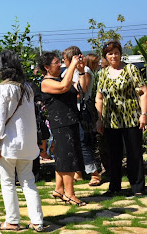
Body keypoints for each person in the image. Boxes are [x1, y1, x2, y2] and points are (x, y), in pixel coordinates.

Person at [0, 50, 44, 232]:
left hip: (8, 143)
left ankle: (12, 220)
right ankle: (37, 221)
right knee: (28, 181)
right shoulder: (27, 88)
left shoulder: (2, 89)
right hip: (27, 143)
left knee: (7, 182)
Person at [95, 41, 147, 197]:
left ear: (120, 54)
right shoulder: (102, 73)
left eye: (116, 53)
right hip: (111, 121)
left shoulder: (130, 69)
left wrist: (144, 114)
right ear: (105, 56)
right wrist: (99, 119)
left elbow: (143, 92)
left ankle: (137, 187)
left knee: (134, 153)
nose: (113, 56)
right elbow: (99, 97)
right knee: (114, 155)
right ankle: (114, 186)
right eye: (110, 54)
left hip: (131, 118)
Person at [40, 50, 87, 206]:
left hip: (71, 121)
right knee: (67, 158)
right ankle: (70, 194)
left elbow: (80, 90)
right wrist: (72, 65)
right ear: (47, 67)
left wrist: (81, 72)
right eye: (56, 63)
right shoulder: (46, 82)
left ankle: (59, 189)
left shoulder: (61, 78)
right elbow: (63, 87)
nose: (60, 64)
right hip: (61, 124)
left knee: (64, 156)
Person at [79, 54, 103, 186]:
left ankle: (94, 173)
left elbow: (82, 91)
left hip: (83, 110)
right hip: (82, 110)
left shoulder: (86, 71)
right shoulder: (85, 71)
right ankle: (79, 172)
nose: (98, 65)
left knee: (84, 142)